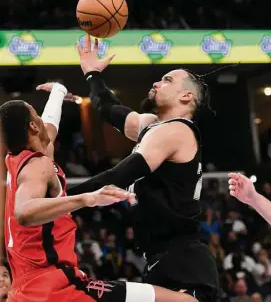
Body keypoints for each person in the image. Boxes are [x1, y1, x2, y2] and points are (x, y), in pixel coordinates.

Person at [55, 36, 219, 302]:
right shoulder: (152, 125)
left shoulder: (176, 130)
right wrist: (92, 74)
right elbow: (107, 108)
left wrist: (58, 201)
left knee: (95, 292)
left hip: (185, 265)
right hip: (159, 260)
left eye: (167, 80)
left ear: (186, 96)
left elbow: (118, 176)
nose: (156, 82)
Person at [1, 87, 190, 302]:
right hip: (53, 287)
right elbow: (24, 212)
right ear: (33, 126)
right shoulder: (37, 166)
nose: (42, 120)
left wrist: (58, 92)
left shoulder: (21, 156)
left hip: (28, 286)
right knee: (182, 300)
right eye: (36, 114)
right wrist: (87, 198)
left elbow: (50, 124)